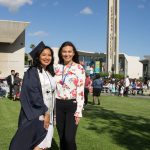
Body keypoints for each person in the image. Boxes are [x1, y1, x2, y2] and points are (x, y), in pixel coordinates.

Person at [9, 41, 56, 150]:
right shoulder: (32, 72)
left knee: (44, 145)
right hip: (37, 113)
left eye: (49, 55)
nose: (47, 57)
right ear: (38, 56)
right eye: (43, 54)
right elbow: (33, 94)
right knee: (37, 143)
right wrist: (46, 112)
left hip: (49, 110)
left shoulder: (48, 72)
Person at [54, 41, 85, 150]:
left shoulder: (79, 68)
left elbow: (81, 90)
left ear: (73, 53)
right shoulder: (56, 67)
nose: (67, 54)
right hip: (58, 105)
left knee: (69, 138)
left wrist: (79, 111)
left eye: (69, 52)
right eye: (64, 51)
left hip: (72, 105)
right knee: (62, 138)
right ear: (61, 53)